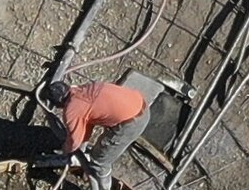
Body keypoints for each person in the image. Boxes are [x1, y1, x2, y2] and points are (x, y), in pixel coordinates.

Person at [45, 74, 185, 179]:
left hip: (132, 123)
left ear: (58, 104)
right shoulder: (88, 87)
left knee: (99, 160)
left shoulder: (72, 109)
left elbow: (74, 142)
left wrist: (66, 149)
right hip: (142, 104)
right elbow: (87, 122)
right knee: (100, 144)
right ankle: (89, 171)